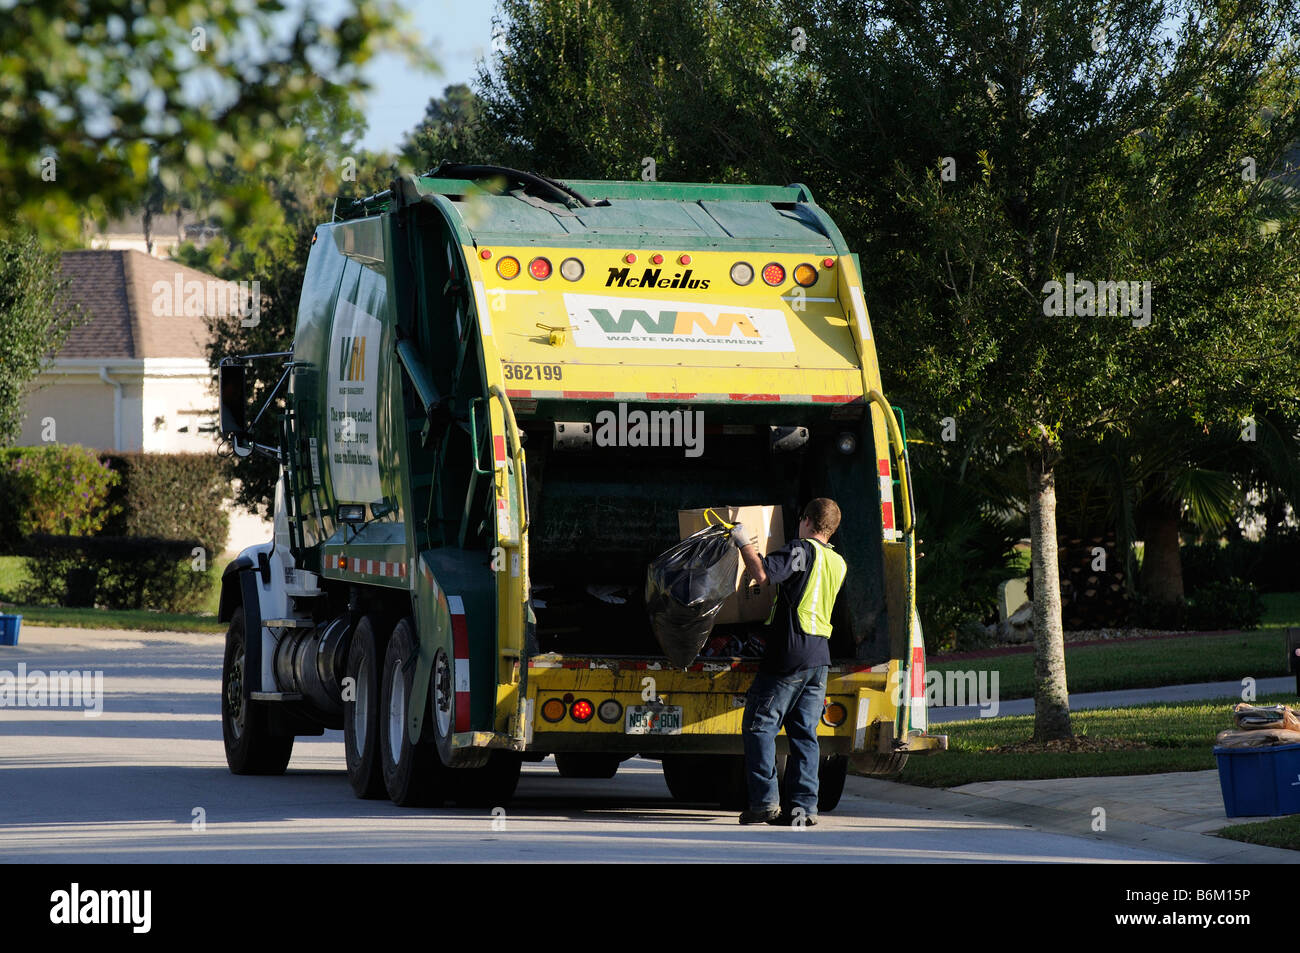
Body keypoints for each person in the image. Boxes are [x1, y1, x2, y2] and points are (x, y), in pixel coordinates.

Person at [730, 498, 846, 826]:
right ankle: (803, 809)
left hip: (789, 654)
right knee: (805, 734)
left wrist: (744, 544)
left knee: (759, 726)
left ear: (806, 520)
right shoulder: (837, 561)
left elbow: (763, 574)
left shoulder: (801, 549)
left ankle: (765, 803)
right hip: (818, 658)